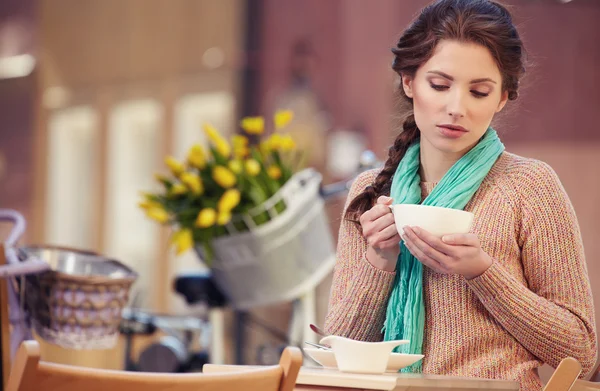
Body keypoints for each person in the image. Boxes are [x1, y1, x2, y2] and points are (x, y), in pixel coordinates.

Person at [323, 1, 597, 390]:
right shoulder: (372, 193)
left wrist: (483, 273)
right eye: (439, 85)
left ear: (501, 98)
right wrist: (379, 261)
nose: (456, 108)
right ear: (408, 82)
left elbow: (581, 354)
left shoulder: (531, 186)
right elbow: (337, 359)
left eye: (479, 92)